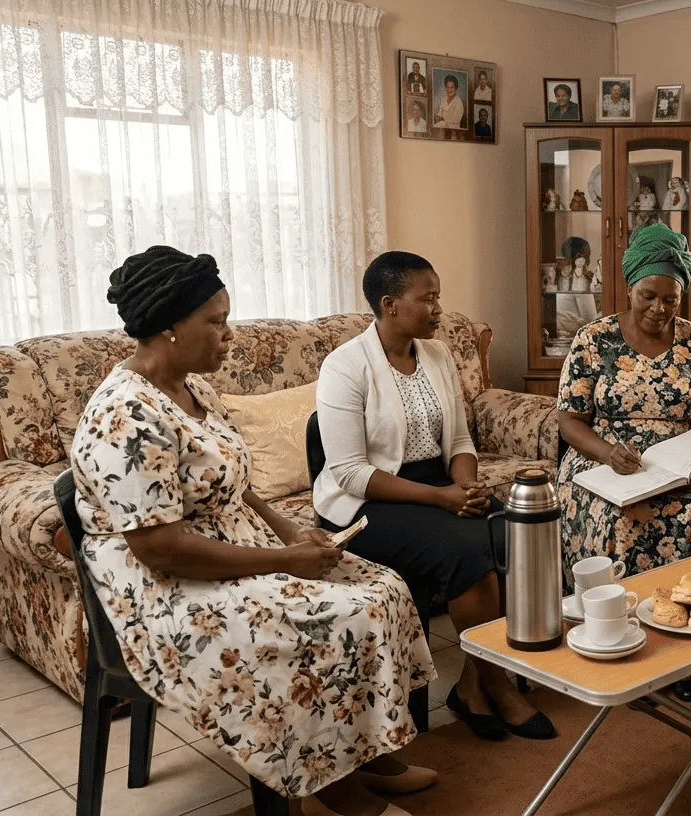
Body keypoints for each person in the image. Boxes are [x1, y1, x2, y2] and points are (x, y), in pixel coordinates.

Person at [73, 246, 436, 816]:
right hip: (168, 586)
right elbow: (158, 547)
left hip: (236, 548)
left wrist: (294, 533)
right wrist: (284, 563)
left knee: (382, 587)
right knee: (322, 618)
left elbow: (236, 484)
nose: (229, 334)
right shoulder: (124, 416)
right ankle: (331, 785)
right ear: (169, 328)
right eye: (215, 322)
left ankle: (366, 754)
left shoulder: (195, 389)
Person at [315, 251, 555, 744]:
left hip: (437, 486)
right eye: (428, 298)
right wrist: (440, 498)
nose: (439, 308)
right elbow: (351, 473)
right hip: (367, 503)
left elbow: (461, 443)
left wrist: (464, 485)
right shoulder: (344, 366)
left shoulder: (438, 355)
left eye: (438, 296)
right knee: (467, 549)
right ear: (389, 305)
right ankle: (496, 682)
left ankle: (471, 683)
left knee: (513, 532)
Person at [556, 223, 691, 702]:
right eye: (647, 296)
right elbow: (569, 421)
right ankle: (618, 639)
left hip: (681, 463)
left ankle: (689, 645)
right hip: (603, 458)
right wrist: (607, 453)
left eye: (670, 300)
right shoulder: (593, 340)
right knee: (617, 516)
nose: (659, 309)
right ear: (629, 287)